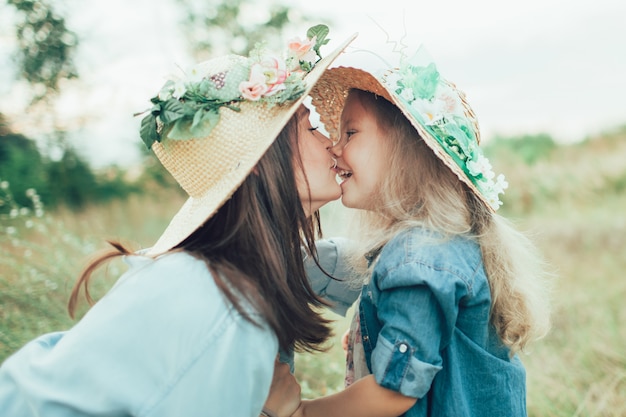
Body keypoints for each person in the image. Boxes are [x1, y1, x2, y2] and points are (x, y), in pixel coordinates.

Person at [0, 26, 357, 417]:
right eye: (309, 127)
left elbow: (329, 264)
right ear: (260, 163)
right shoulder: (225, 308)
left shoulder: (231, 272)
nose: (330, 141)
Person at [287, 47, 553, 416]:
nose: (334, 145)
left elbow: (394, 392)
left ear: (405, 149)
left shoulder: (419, 255)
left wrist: (302, 412)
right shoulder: (434, 242)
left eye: (350, 132)